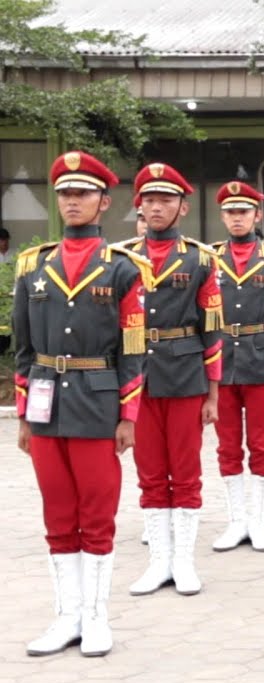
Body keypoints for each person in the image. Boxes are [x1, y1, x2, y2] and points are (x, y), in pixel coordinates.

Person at [15, 151, 151, 657]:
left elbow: (134, 350)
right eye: (66, 193)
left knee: (97, 514)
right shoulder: (34, 266)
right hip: (47, 407)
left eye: (83, 193)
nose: (73, 200)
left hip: (97, 404)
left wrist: (129, 415)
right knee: (57, 513)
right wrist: (27, 413)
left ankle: (96, 619)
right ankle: (65, 617)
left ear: (103, 202)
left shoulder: (123, 270)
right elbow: (25, 350)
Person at [119, 163, 223, 598]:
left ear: (182, 208)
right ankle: (158, 561)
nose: (157, 206)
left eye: (166, 200)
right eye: (150, 199)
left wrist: (213, 393)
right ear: (138, 205)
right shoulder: (120, 259)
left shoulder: (201, 259)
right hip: (138, 375)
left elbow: (213, 330)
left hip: (185, 374)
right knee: (148, 472)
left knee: (185, 470)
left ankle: (182, 561)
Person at [209, 182, 264, 553]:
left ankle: (258, 522)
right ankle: (235, 521)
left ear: (257, 215)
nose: (237, 217)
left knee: (260, 443)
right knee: (227, 445)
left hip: (261, 358)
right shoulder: (208, 258)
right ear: (223, 216)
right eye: (230, 211)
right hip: (221, 359)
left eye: (243, 211)